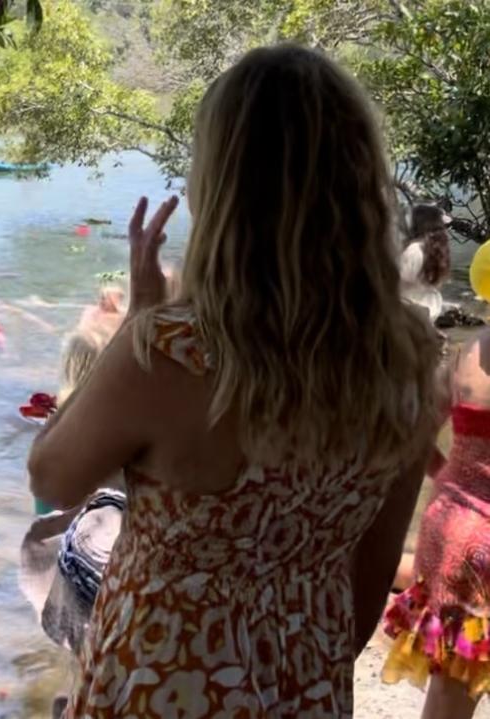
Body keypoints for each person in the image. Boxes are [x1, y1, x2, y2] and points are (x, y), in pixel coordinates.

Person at [29, 44, 442, 717]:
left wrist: (137, 320)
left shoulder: (169, 351)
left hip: (155, 688)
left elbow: (51, 480)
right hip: (301, 689)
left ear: (218, 188)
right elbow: (366, 593)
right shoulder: (412, 362)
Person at [382, 329, 490, 719]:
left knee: (451, 690)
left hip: (452, 529)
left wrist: (452, 477)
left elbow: (414, 432)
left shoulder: (466, 354)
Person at [399, 203, 453, 322]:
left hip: (411, 309)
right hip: (432, 306)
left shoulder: (414, 250)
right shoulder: (439, 249)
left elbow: (399, 280)